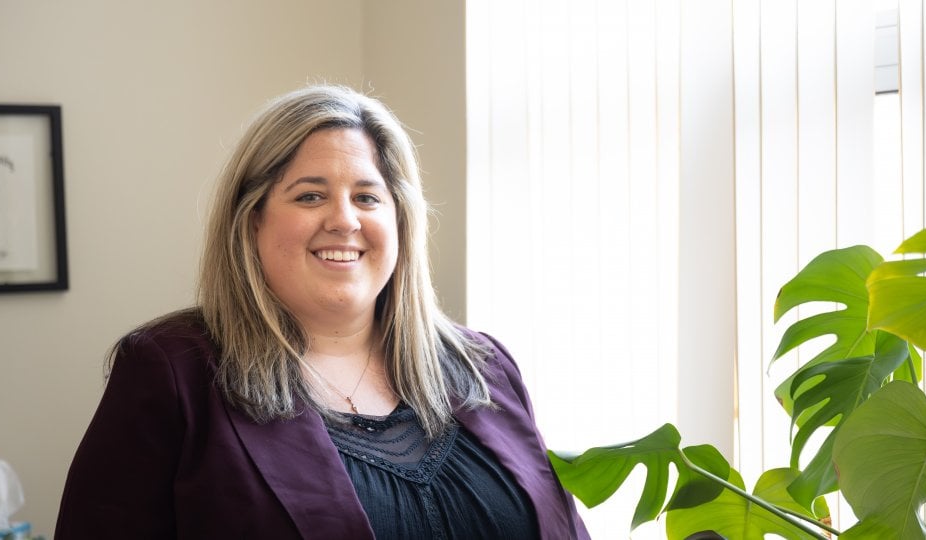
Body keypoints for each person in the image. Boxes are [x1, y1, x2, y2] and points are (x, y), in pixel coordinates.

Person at [55, 85, 590, 539]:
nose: (344, 220)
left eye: (367, 197)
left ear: (401, 220)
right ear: (252, 220)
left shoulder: (484, 364)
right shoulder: (173, 373)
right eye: (310, 196)